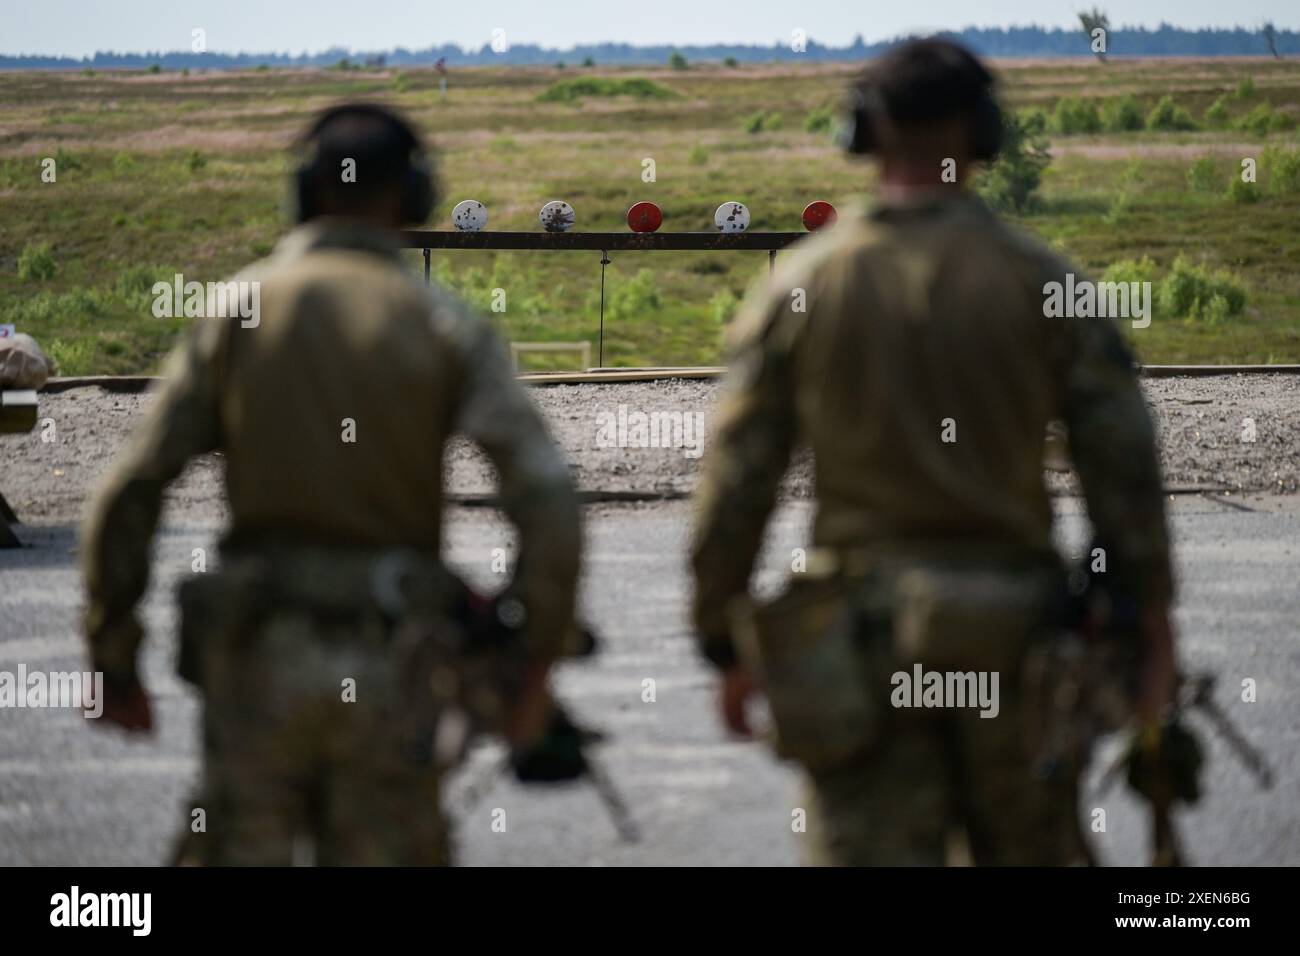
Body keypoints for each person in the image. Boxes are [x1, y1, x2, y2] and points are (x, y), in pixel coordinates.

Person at [689, 38, 1176, 865]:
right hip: (1020, 642)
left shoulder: (803, 286)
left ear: (862, 133)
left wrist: (723, 642)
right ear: (984, 134)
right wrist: (1153, 631)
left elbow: (737, 483)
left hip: (857, 648)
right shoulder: (1044, 281)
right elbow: (1124, 472)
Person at [82, 102, 582, 865]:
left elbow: (132, 487)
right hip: (397, 665)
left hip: (256, 659)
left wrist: (114, 655)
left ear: (302, 191)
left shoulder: (237, 311)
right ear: (414, 195)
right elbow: (546, 497)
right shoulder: (443, 321)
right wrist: (531, 663)